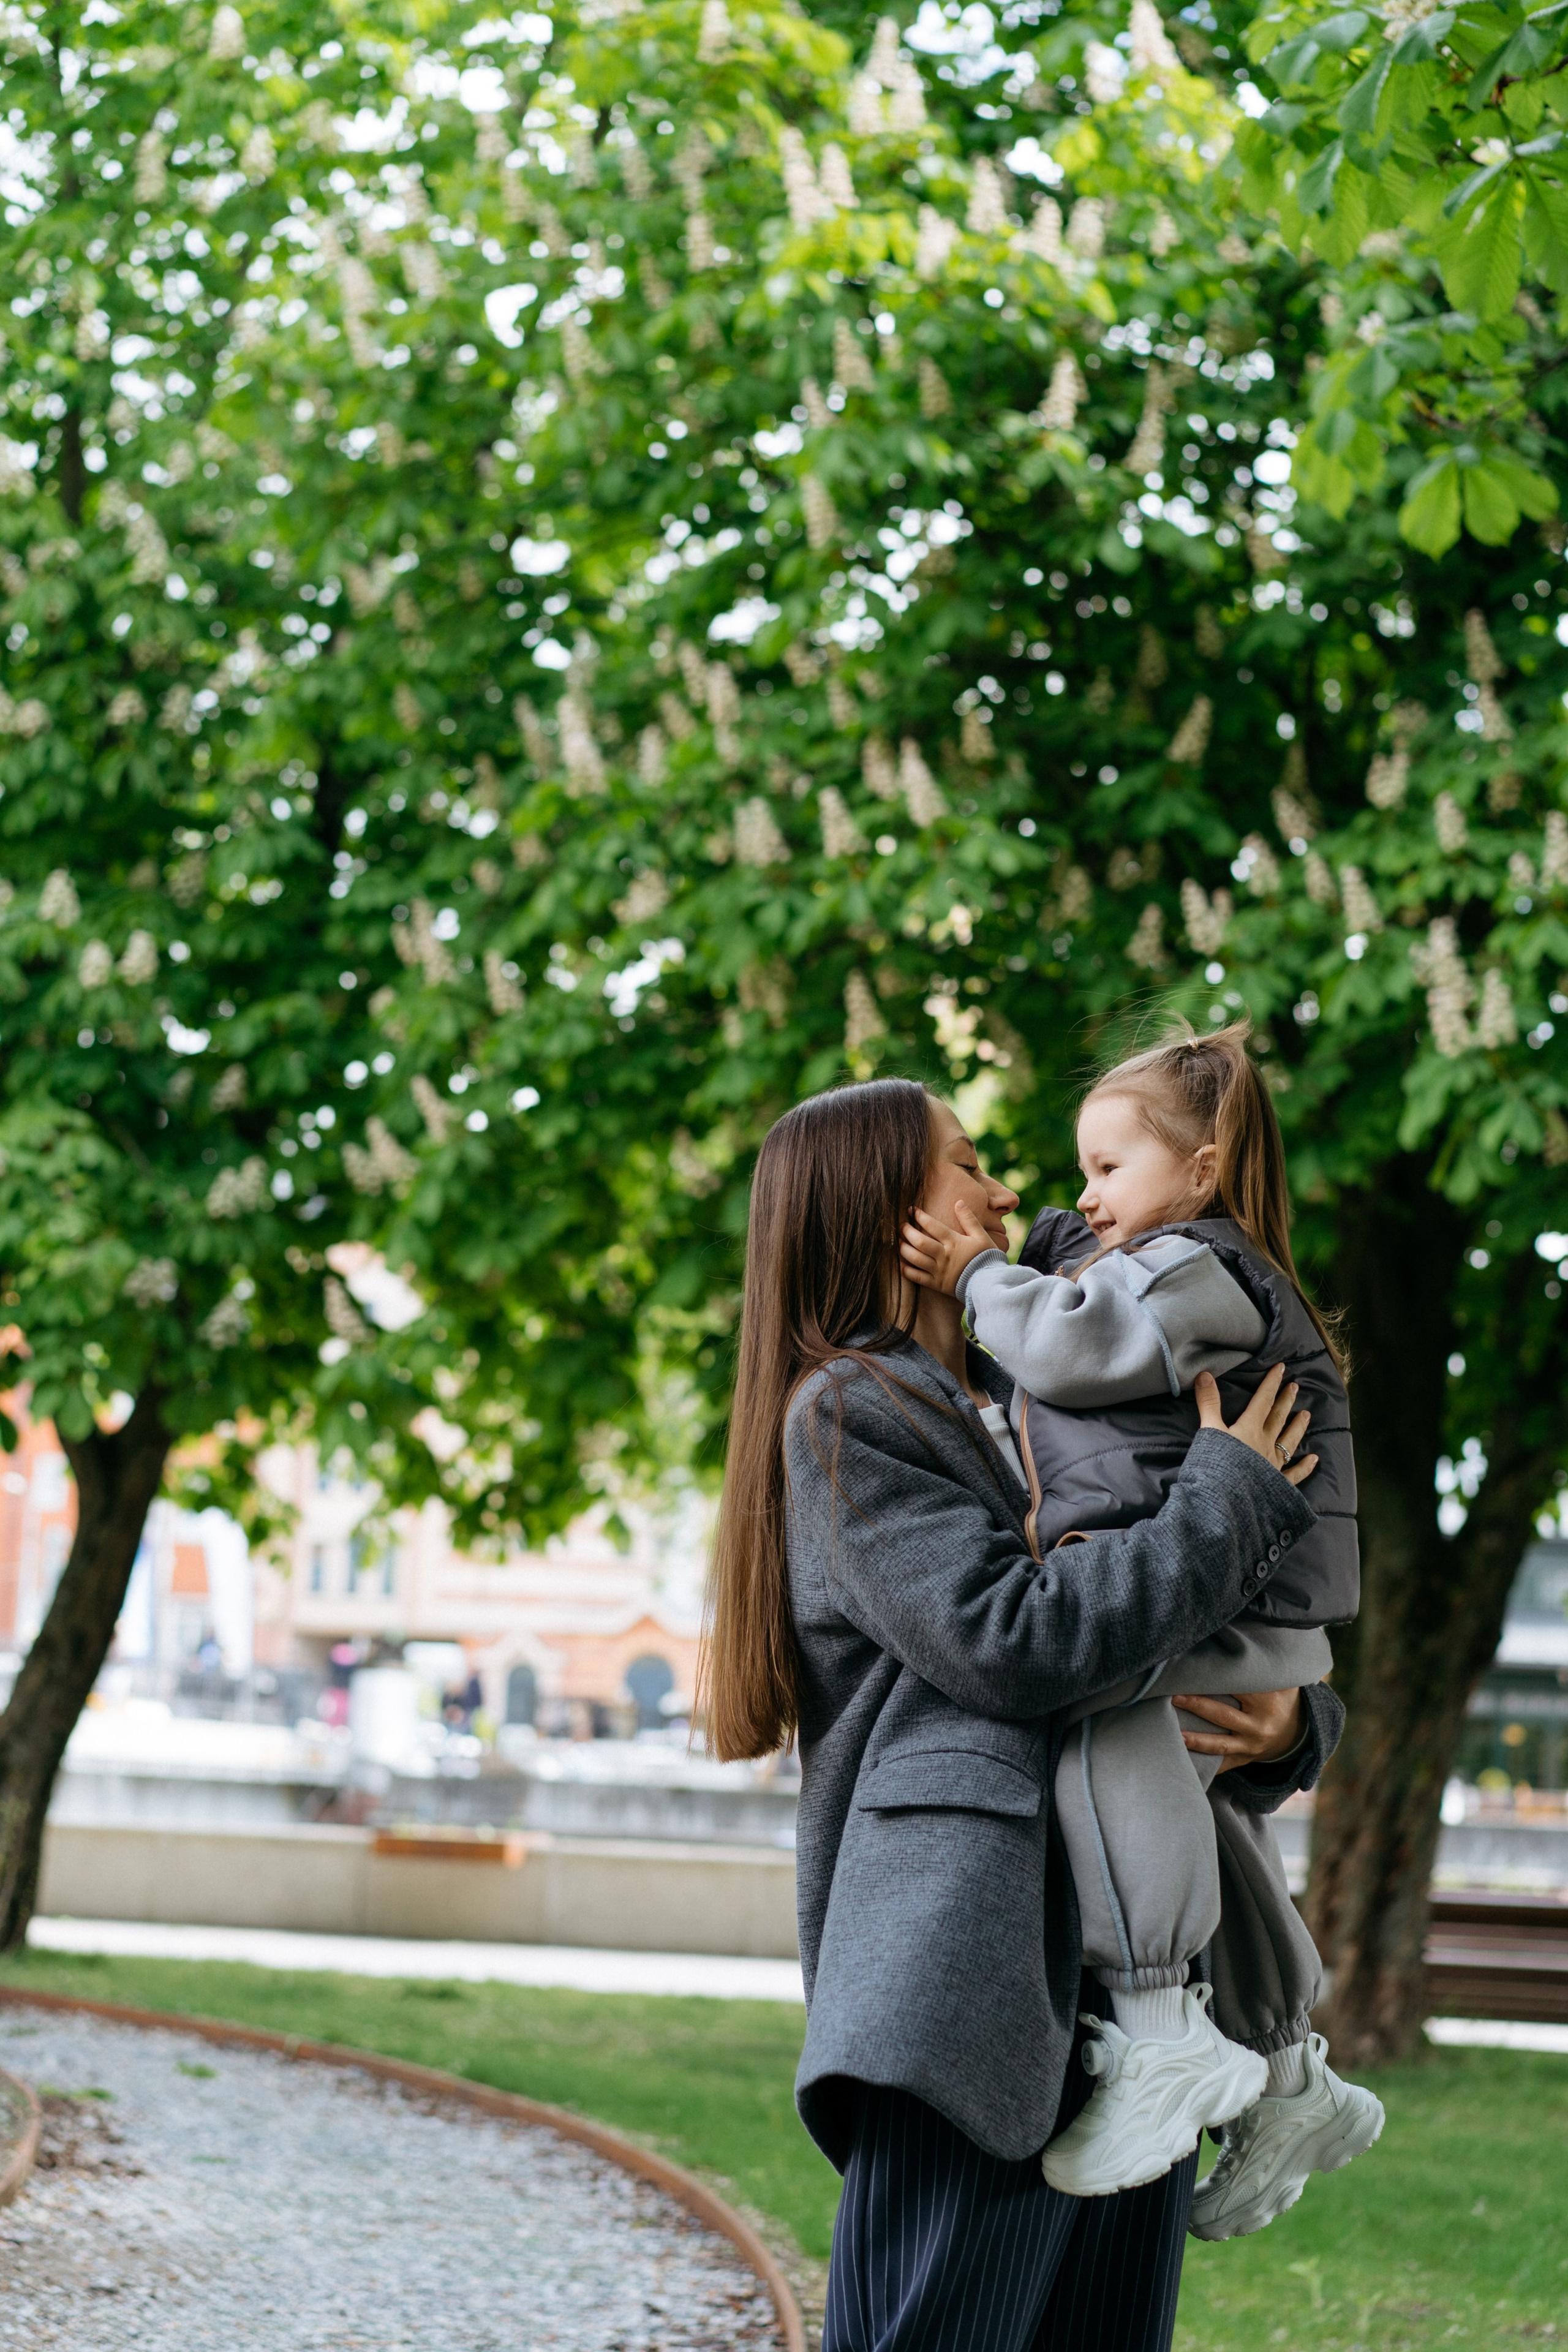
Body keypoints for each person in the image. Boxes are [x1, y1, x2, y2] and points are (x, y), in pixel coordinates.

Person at [700, 1076, 1344, 2352]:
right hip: (970, 1992)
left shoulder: (1028, 1410)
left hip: (1130, 2022)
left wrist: (1286, 1732)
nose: (1008, 1195)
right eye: (968, 1164)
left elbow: (1164, 1665)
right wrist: (1226, 1494)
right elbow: (1019, 1641)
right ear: (886, 1215)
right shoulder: (851, 1414)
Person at [899, 1023, 1383, 2233]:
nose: (1075, 1194)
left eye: (1107, 1168)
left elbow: (1067, 1340)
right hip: (1235, 1590)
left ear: (1202, 1172)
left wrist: (969, 1273)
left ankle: (1164, 2025)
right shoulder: (1161, 1262)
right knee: (1199, 1813)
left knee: (1097, 1740)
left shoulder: (1194, 1273)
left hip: (1228, 1589)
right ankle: (1284, 2069)